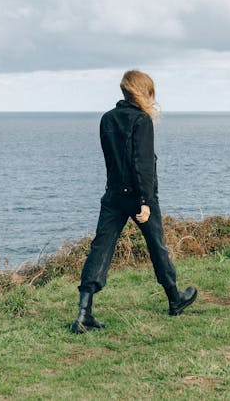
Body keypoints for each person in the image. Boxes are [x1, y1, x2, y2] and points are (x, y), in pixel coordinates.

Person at [71, 69, 197, 333]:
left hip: (113, 194)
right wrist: (145, 202)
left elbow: (112, 161)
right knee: (157, 246)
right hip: (140, 197)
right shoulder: (142, 121)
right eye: (150, 92)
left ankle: (84, 313)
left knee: (100, 249)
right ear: (143, 91)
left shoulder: (107, 119)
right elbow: (142, 164)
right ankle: (175, 299)